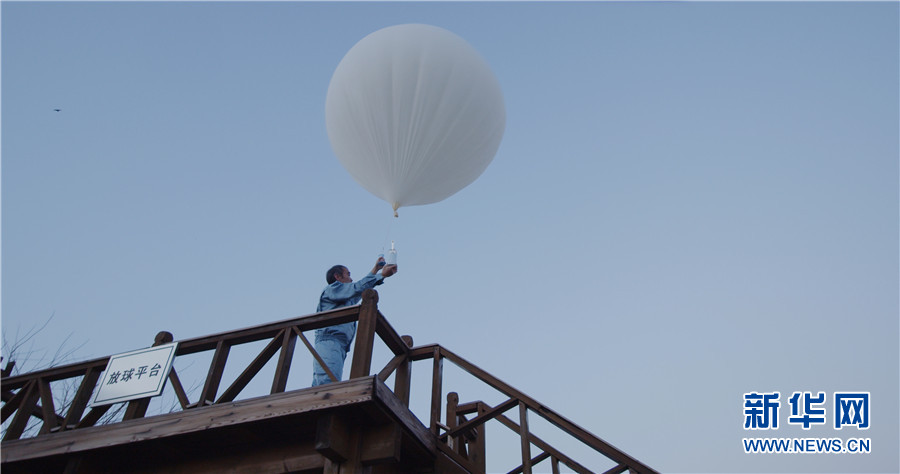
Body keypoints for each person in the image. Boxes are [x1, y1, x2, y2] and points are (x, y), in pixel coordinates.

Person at [312, 257, 398, 386]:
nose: (351, 279)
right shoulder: (333, 289)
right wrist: (382, 275)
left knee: (328, 380)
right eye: (348, 274)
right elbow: (357, 288)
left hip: (339, 343)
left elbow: (360, 289)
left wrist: (375, 270)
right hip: (330, 340)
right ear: (337, 277)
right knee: (327, 382)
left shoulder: (343, 298)